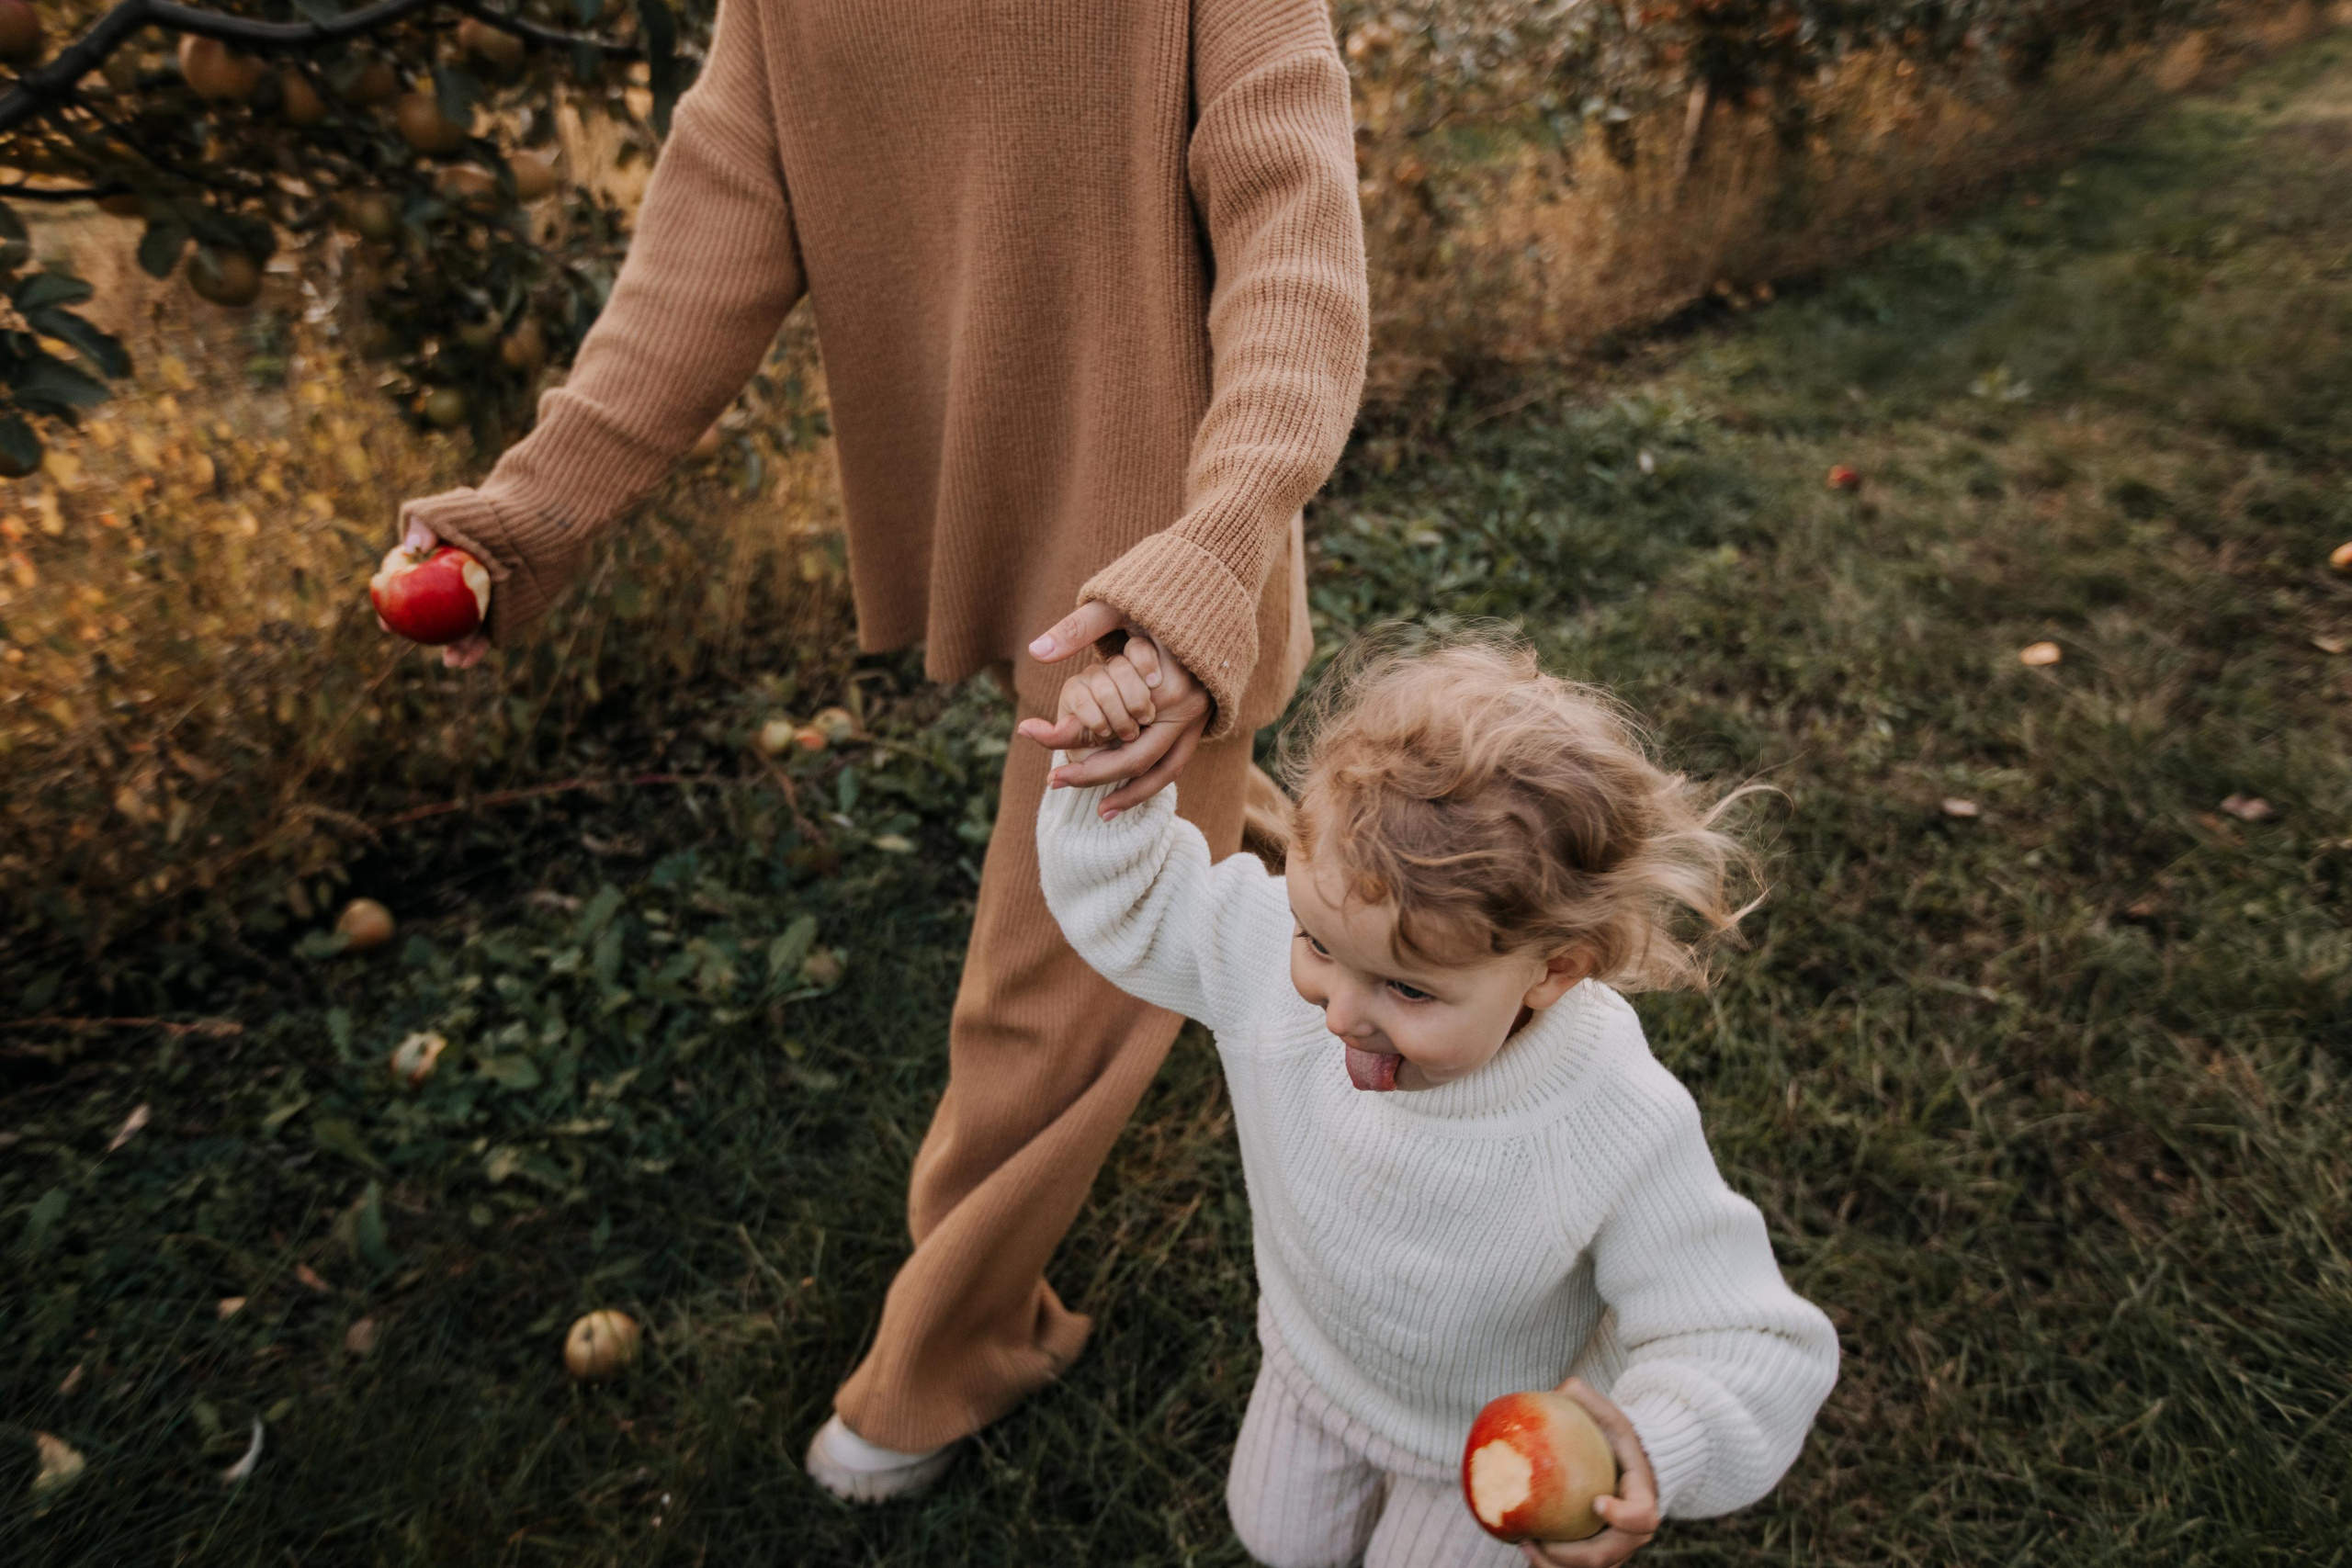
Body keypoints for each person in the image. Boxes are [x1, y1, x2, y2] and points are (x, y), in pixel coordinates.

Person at [388, 0, 1368, 1498]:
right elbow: (699, 261)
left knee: (1058, 988)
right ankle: (1386, 912)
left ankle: (942, 1359)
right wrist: (533, 515)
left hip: (1167, 576)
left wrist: (1212, 554)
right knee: (1170, 859)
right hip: (1015, 512)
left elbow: (1297, 247)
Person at [1024, 628, 1839, 1567]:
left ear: (1552, 971)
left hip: (1488, 1436)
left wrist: (1650, 1442)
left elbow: (1742, 1335)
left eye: (1408, 991)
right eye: (1316, 946)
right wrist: (1099, 769)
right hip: (1313, 1364)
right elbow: (1138, 904)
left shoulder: (1610, 1115)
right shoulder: (1286, 956)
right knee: (1275, 1537)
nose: (1341, 1015)